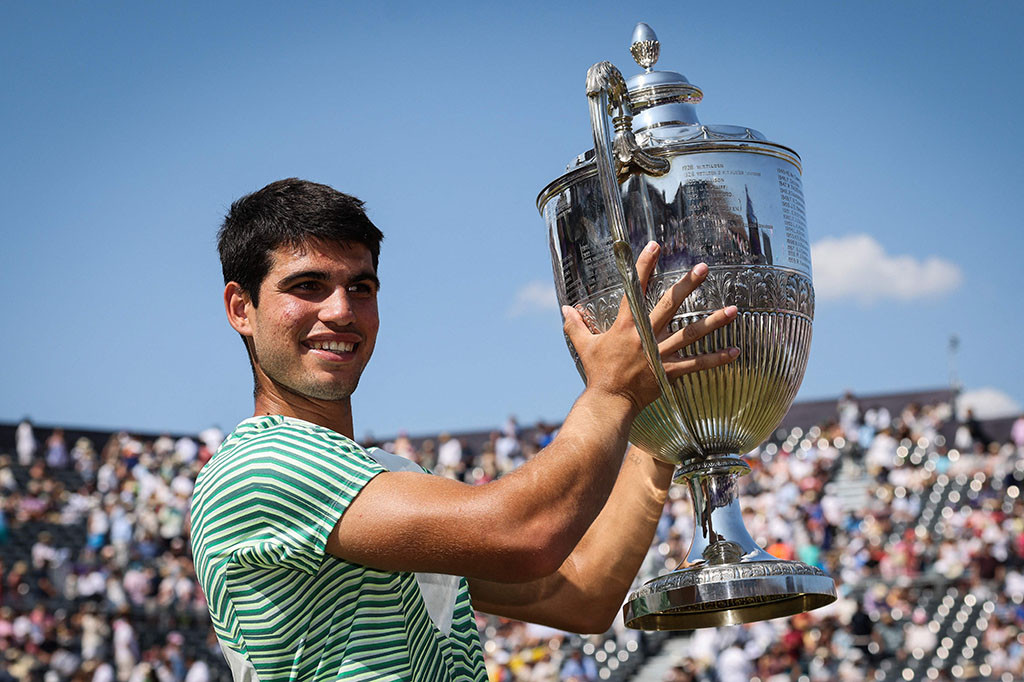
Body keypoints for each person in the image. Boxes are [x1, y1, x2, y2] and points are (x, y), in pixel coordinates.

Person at [190, 178, 739, 681]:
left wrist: (663, 423)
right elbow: (525, 534)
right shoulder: (259, 465)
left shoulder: (387, 476)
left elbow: (583, 595)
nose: (341, 310)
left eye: (361, 287)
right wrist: (615, 391)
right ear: (241, 309)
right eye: (307, 285)